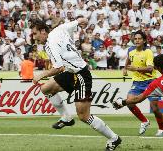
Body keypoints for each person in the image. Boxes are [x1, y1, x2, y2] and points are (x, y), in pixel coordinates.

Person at [31, 18, 121, 151]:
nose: (34, 37)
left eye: (35, 33)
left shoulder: (50, 44)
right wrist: (82, 21)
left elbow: (58, 68)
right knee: (46, 89)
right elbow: (79, 21)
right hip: (70, 72)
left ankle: (114, 138)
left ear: (43, 31)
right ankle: (66, 117)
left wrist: (40, 75)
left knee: (84, 116)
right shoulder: (60, 29)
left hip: (81, 75)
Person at [123, 30, 163, 136]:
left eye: (139, 39)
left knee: (155, 108)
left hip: (151, 82)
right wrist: (125, 68)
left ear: (144, 40)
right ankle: (144, 121)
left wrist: (135, 68)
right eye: (135, 38)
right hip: (137, 82)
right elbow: (128, 60)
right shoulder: (130, 50)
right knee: (129, 102)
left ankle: (162, 129)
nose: (137, 40)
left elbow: (150, 69)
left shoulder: (148, 52)